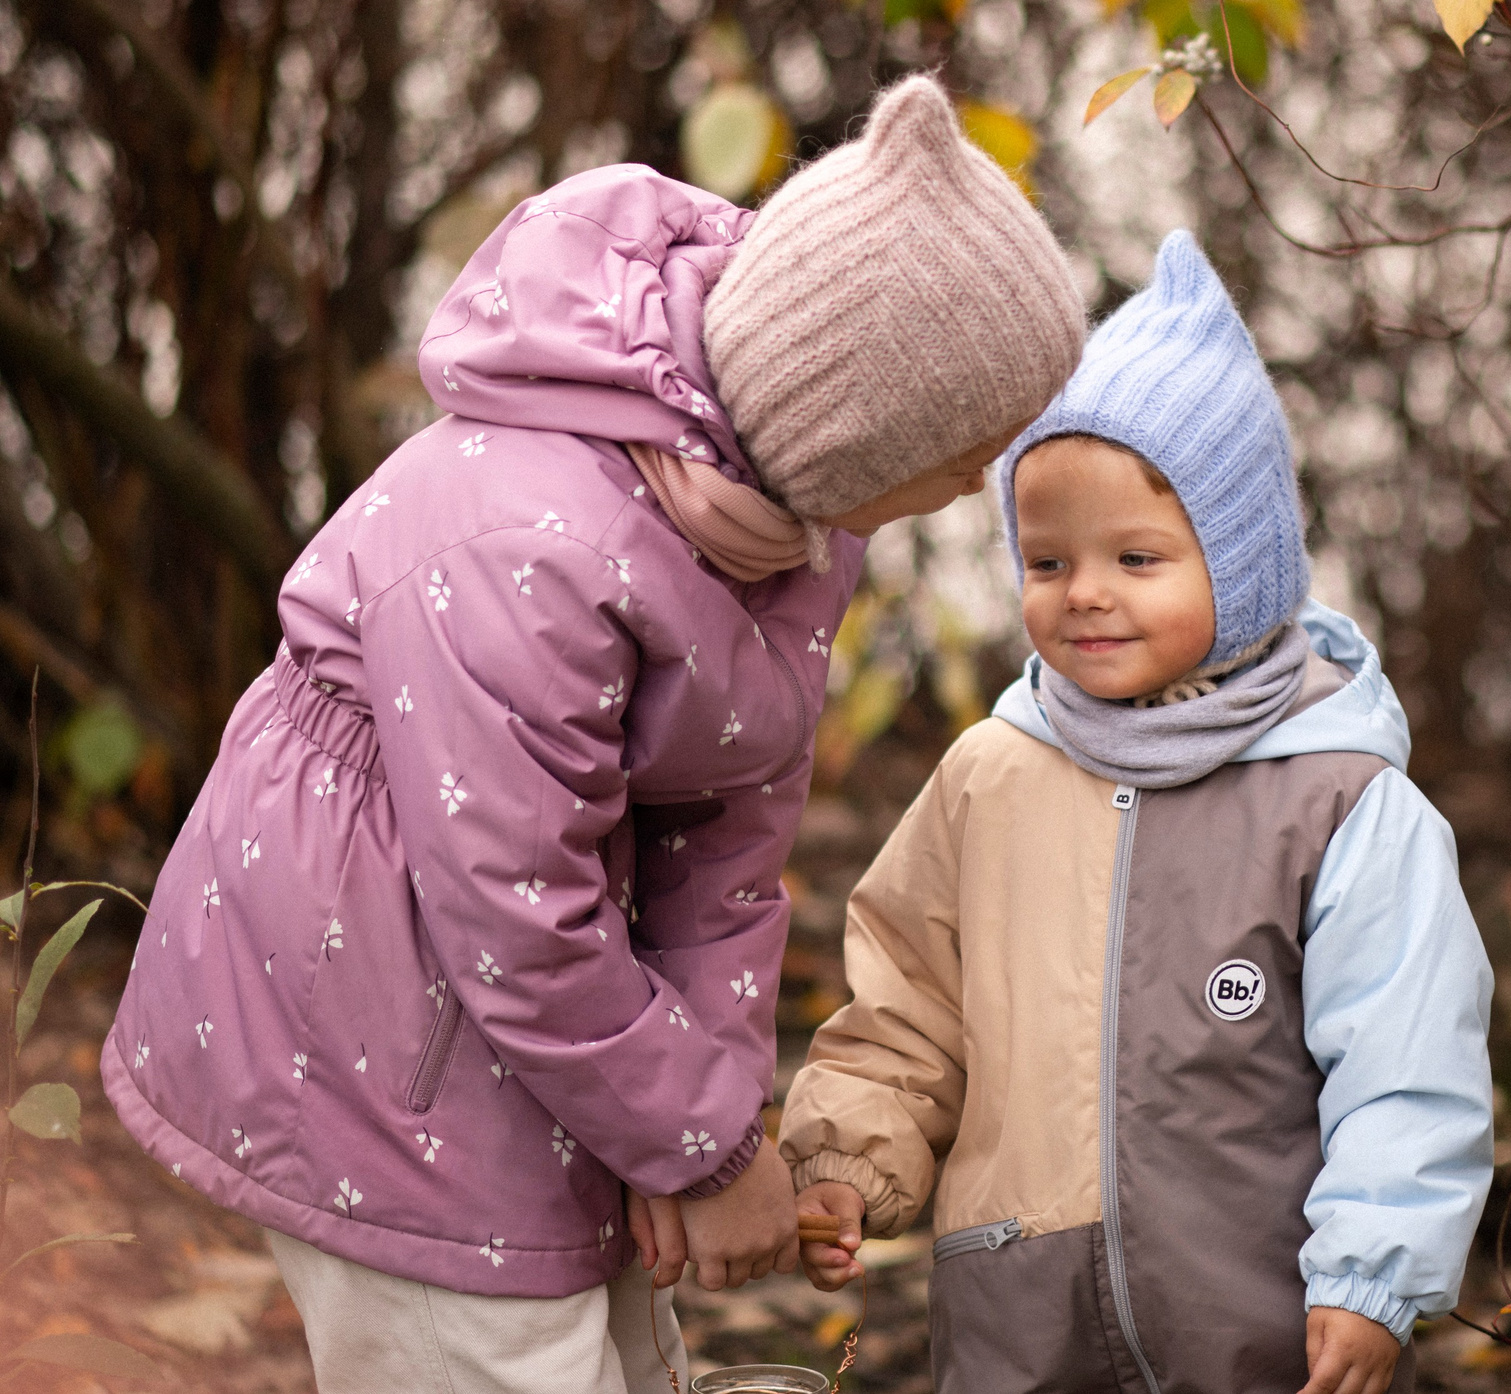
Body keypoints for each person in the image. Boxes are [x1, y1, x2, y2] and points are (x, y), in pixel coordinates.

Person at [101, 76, 1089, 1394]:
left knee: (627, 1339)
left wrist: (703, 1128)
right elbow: (518, 911)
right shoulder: (528, 547)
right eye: (970, 445)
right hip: (373, 1002)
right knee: (495, 1348)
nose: (983, 478)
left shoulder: (790, 521)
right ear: (860, 425)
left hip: (544, 977)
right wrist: (707, 1152)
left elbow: (729, 833)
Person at [780, 231, 1496, 1394]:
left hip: (1258, 1320)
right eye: (1047, 559)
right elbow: (905, 1002)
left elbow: (1407, 1058)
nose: (1087, 592)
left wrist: (1373, 1271)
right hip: (1020, 1317)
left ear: (1246, 560)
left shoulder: (1340, 799)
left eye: (1138, 555)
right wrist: (847, 1159)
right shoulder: (991, 774)